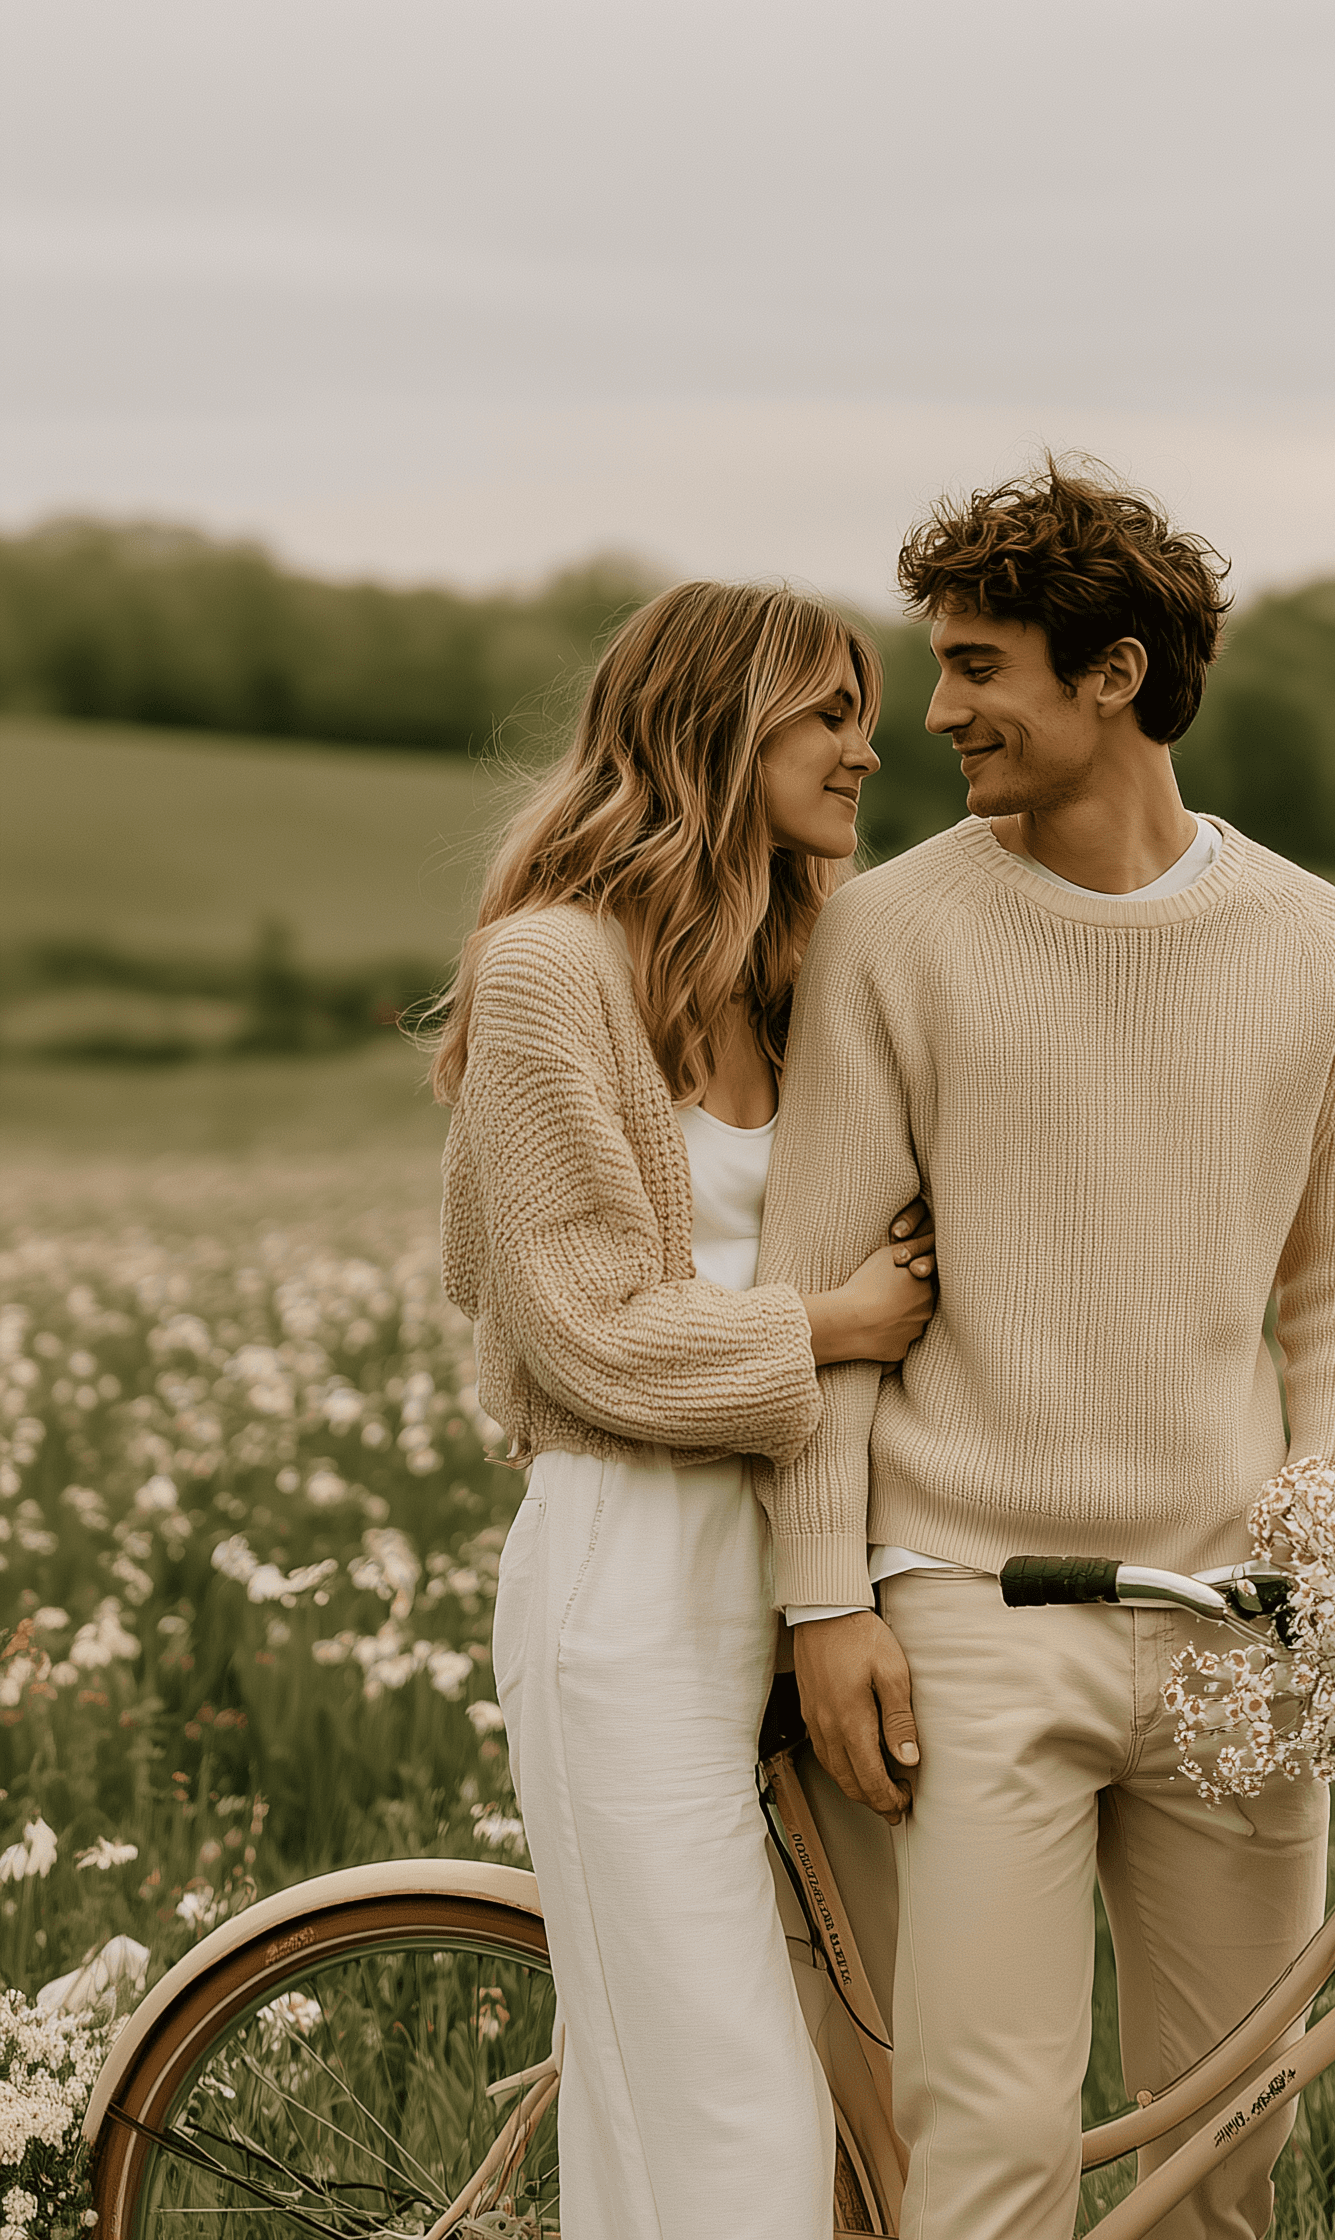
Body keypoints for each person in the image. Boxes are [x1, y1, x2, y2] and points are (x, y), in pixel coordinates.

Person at [758, 465, 1335, 2240]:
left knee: (1232, 2152)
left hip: (1239, 1628)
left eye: (980, 666)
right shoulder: (891, 935)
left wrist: (1332, 1522)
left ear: (1113, 674)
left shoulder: (1310, 940)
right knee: (983, 2144)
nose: (940, 711)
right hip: (975, 1611)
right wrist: (827, 1600)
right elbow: (824, 1290)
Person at [432, 581, 938, 2240]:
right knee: (728, 2109)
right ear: (720, 724)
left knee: (811, 2089)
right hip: (630, 1584)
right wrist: (840, 1323)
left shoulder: (799, 964)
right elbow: (586, 1330)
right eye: (832, 714)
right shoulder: (546, 972)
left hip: (801, 1571)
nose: (872, 748)